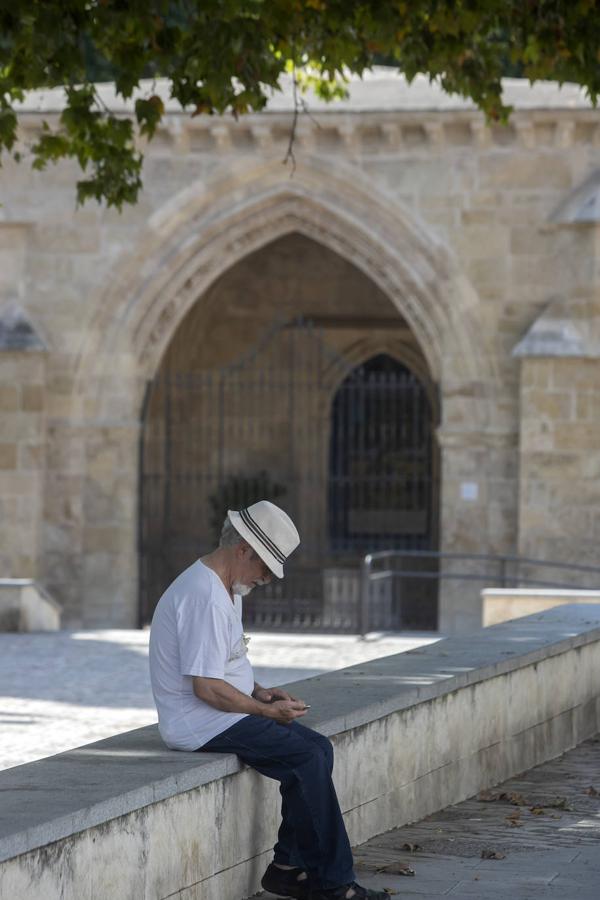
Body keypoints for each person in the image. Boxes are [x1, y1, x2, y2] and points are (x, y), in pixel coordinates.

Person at [149, 500, 388, 900]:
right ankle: (334, 885)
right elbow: (205, 687)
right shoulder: (204, 595)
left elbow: (221, 664)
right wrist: (264, 711)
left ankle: (286, 868)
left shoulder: (227, 587)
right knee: (306, 758)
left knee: (318, 749)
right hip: (201, 722)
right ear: (243, 549)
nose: (266, 578)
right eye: (264, 567)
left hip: (221, 713)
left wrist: (259, 689)